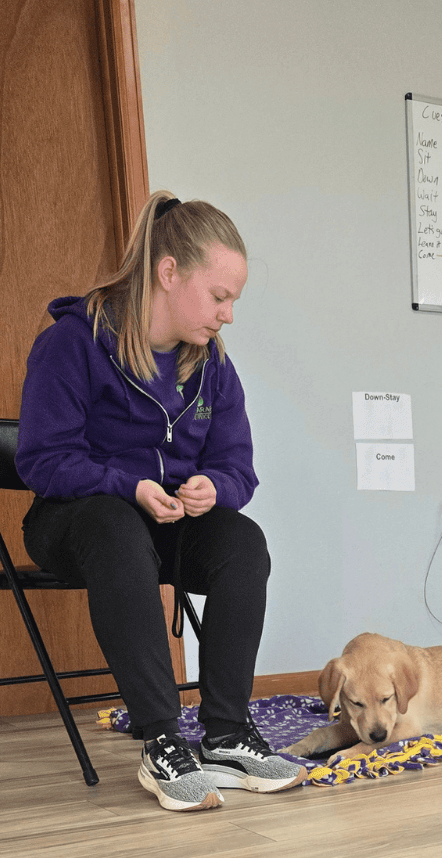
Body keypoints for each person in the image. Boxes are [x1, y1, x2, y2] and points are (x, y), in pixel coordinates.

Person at [16, 191, 306, 811]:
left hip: (168, 520)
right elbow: (42, 461)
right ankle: (162, 739)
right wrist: (129, 486)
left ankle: (226, 734)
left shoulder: (213, 366)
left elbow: (238, 469)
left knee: (243, 543)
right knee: (116, 530)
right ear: (169, 272)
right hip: (77, 518)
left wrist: (213, 489)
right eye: (219, 296)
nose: (228, 315)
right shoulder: (71, 343)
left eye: (234, 300)